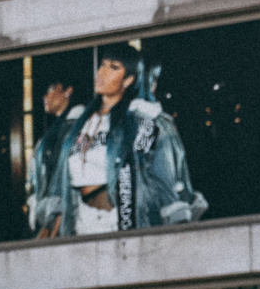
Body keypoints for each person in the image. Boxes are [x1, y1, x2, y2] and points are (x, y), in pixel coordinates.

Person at [47, 45, 207, 237]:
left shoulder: (145, 122)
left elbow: (157, 175)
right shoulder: (80, 124)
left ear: (128, 80)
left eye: (113, 67)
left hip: (120, 223)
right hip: (81, 223)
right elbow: (63, 180)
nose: (103, 72)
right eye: (103, 65)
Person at [28, 78, 84, 236]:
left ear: (68, 91)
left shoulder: (76, 127)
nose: (46, 96)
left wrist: (55, 226)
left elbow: (69, 178)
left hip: (64, 222)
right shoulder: (54, 130)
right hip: (47, 218)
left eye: (52, 88)